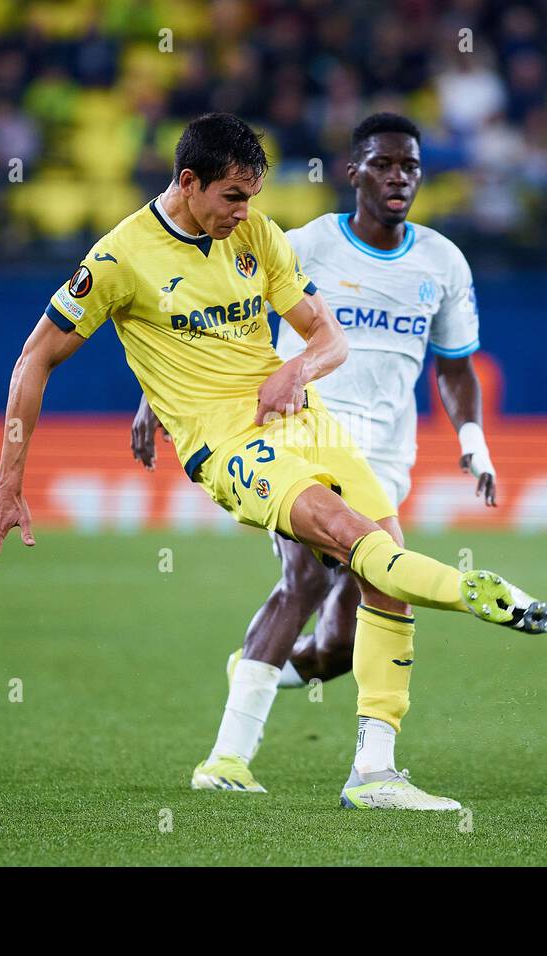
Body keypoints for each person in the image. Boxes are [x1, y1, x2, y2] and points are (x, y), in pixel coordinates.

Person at [0, 113, 547, 810]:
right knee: (346, 541)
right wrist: (8, 485)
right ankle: (474, 592)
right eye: (233, 197)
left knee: (385, 577)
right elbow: (35, 359)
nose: (245, 213)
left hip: (304, 418)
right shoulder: (121, 259)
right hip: (227, 444)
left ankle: (376, 775)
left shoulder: (257, 235)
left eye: (252, 197)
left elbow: (329, 338)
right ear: (189, 183)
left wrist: (297, 370)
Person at [132, 113, 505, 804]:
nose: (399, 178)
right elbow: (219, 323)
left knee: (343, 638)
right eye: (384, 164)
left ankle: (266, 670)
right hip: (297, 435)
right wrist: (161, 399)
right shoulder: (301, 243)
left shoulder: (443, 263)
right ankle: (239, 757)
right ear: (353, 169)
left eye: (411, 167)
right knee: (302, 581)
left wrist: (473, 442)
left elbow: (455, 366)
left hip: (385, 456)